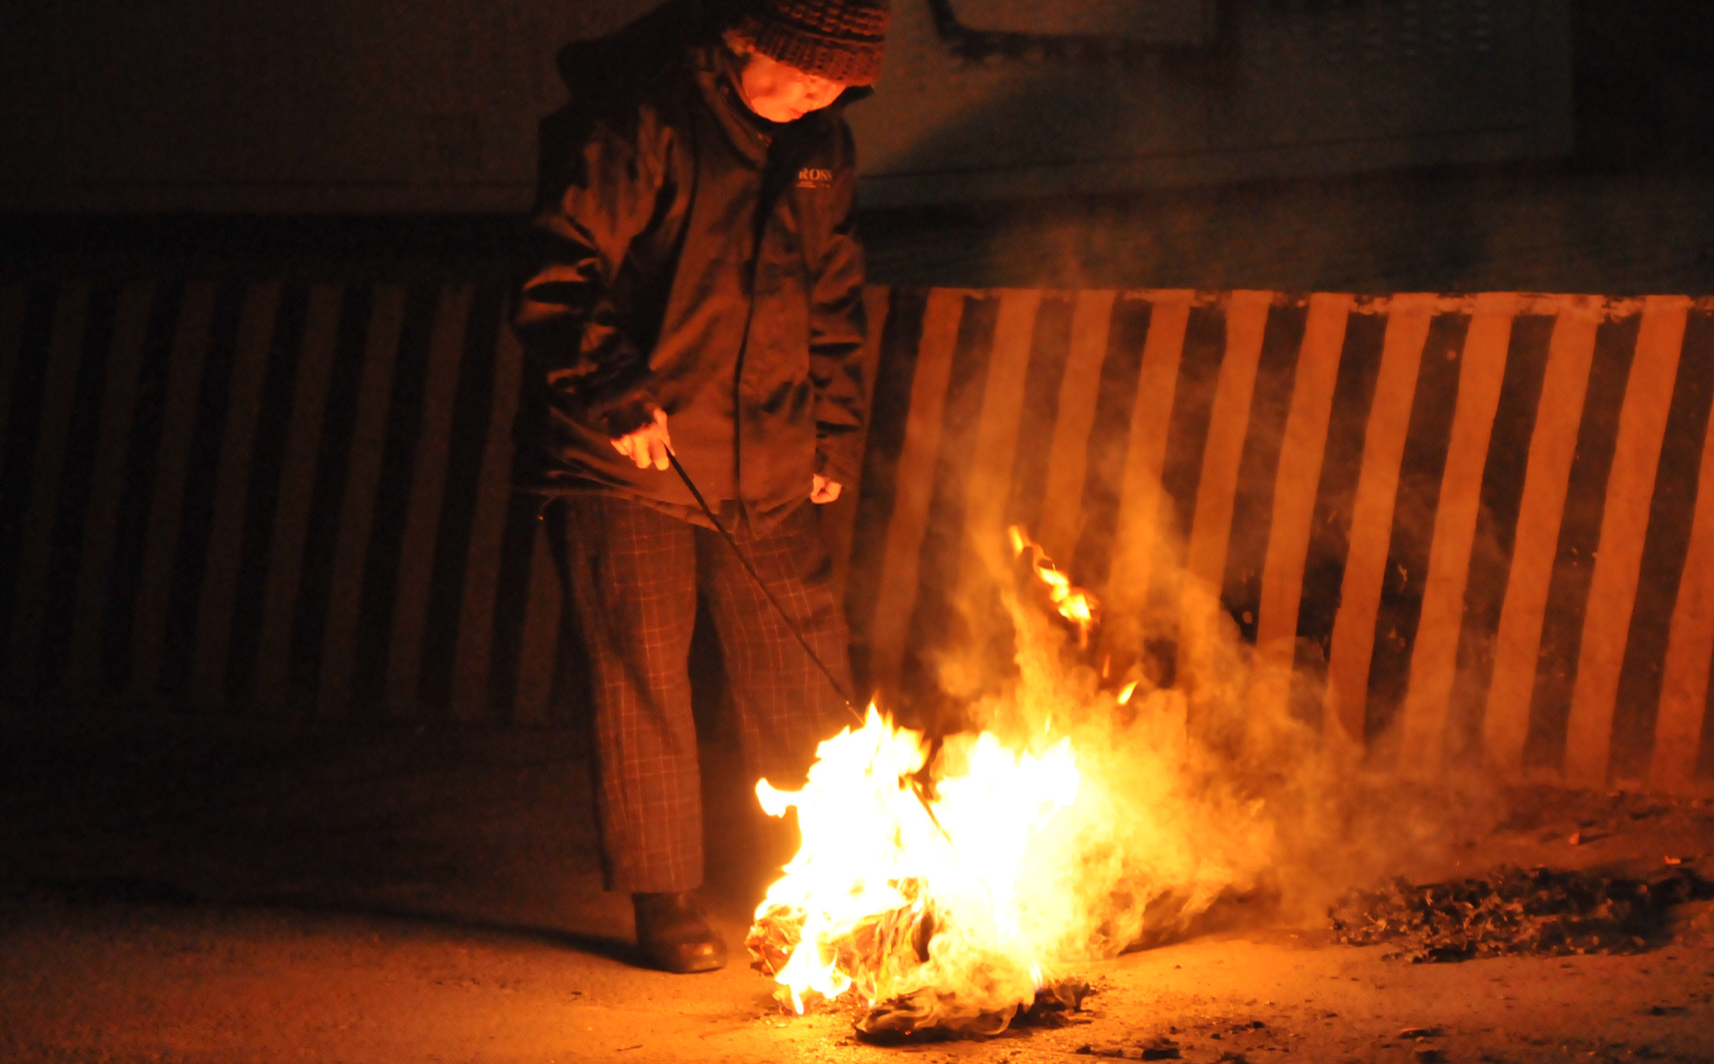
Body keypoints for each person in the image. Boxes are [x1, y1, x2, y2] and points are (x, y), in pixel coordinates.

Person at [511, 0, 887, 973]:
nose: (824, 94)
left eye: (842, 82)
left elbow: (832, 296)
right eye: (809, 74)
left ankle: (852, 876)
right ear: (747, 41)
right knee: (643, 663)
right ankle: (665, 895)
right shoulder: (646, 121)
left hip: (766, 451)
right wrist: (611, 389)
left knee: (800, 662)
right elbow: (559, 271)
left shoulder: (820, 145)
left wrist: (829, 436)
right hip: (631, 452)